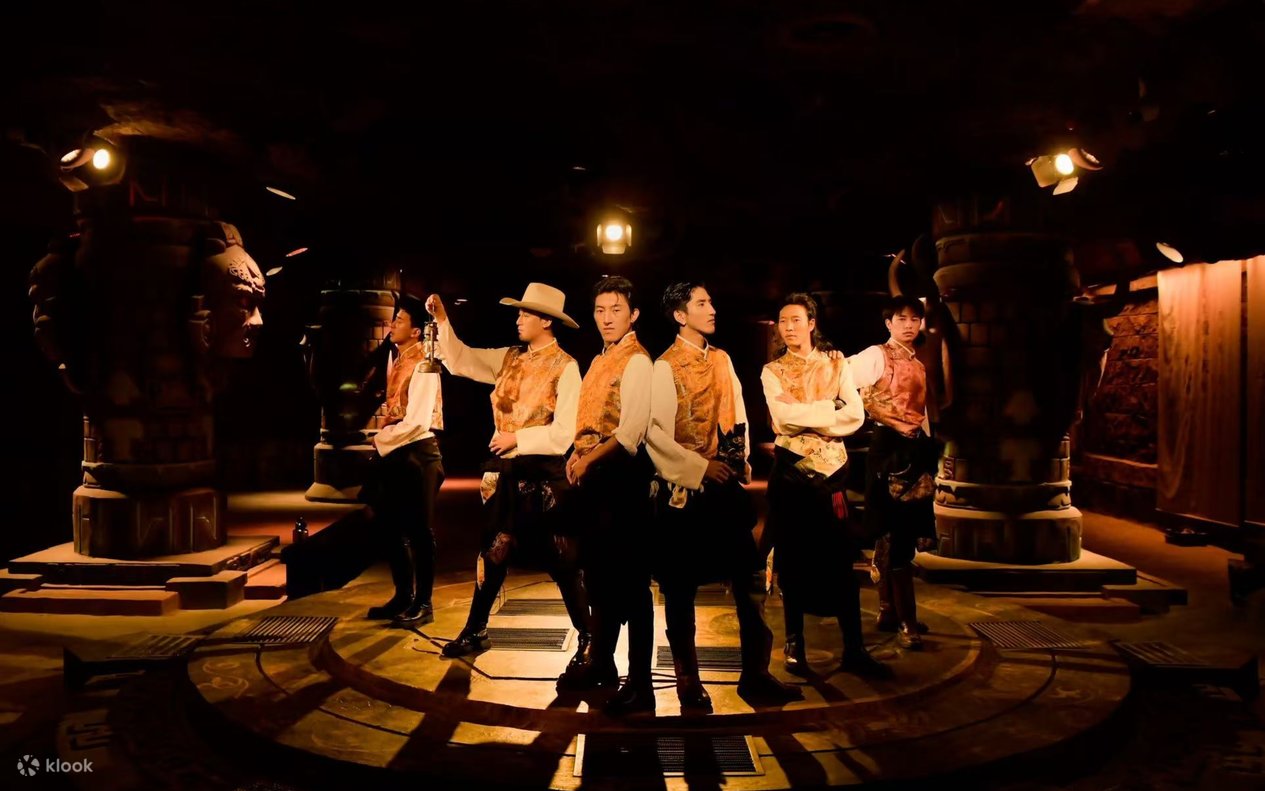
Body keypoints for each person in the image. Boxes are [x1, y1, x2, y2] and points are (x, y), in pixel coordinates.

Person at [646, 282, 802, 712]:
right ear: (680, 315)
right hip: (686, 491)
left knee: (749, 581)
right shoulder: (664, 366)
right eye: (701, 303)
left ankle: (756, 673)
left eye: (711, 301)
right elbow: (655, 434)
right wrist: (699, 467)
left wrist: (739, 462)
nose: (711, 309)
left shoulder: (721, 358)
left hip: (724, 485)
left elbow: (738, 414)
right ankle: (687, 679)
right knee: (680, 587)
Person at [426, 284, 591, 686]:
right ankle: (476, 628)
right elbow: (462, 360)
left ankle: (588, 637)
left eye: (526, 314)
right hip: (505, 471)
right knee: (493, 551)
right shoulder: (509, 358)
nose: (518, 319)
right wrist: (443, 321)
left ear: (546, 321)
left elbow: (564, 432)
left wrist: (519, 438)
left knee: (562, 558)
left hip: (543, 473)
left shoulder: (566, 366)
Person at [761, 293, 891, 678]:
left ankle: (854, 647)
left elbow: (855, 415)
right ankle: (794, 642)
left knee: (839, 561)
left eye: (796, 320)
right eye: (783, 321)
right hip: (792, 473)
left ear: (811, 323)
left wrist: (805, 413)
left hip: (832, 473)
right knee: (792, 559)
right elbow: (781, 420)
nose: (789, 327)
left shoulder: (836, 363)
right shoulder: (772, 371)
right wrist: (827, 409)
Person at [562, 276, 656, 711]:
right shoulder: (600, 358)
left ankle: (641, 683)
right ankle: (601, 662)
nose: (606, 318)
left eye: (616, 310)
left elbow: (630, 433)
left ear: (633, 315)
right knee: (599, 578)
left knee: (631, 584)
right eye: (600, 310)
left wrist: (588, 459)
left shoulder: (637, 361)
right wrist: (575, 453)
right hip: (597, 479)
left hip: (622, 480)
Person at [848, 296, 938, 650]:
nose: (909, 325)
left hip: (914, 448)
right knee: (894, 534)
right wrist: (864, 415)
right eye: (901, 318)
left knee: (898, 535)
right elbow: (842, 384)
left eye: (915, 319)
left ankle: (889, 609)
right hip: (888, 448)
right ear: (888, 323)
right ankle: (906, 620)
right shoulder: (876, 355)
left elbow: (921, 412)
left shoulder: (917, 361)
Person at [360, 293, 445, 628]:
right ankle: (403, 594)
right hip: (397, 450)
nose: (392, 325)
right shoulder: (396, 358)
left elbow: (418, 421)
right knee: (389, 526)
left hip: (418, 452)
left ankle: (424, 601)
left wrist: (380, 437)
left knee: (419, 530)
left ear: (416, 330)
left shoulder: (424, 363)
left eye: (399, 320)